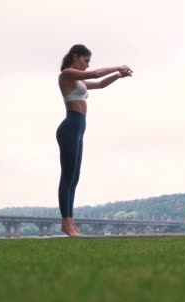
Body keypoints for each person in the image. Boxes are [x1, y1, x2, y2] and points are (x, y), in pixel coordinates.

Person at [56, 44, 133, 237]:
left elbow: (99, 84)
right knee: (67, 176)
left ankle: (71, 222)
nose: (87, 65)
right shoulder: (66, 74)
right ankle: (66, 223)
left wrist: (118, 76)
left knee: (74, 177)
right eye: (86, 60)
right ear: (75, 56)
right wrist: (117, 67)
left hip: (79, 127)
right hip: (71, 126)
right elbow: (96, 75)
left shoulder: (78, 80)